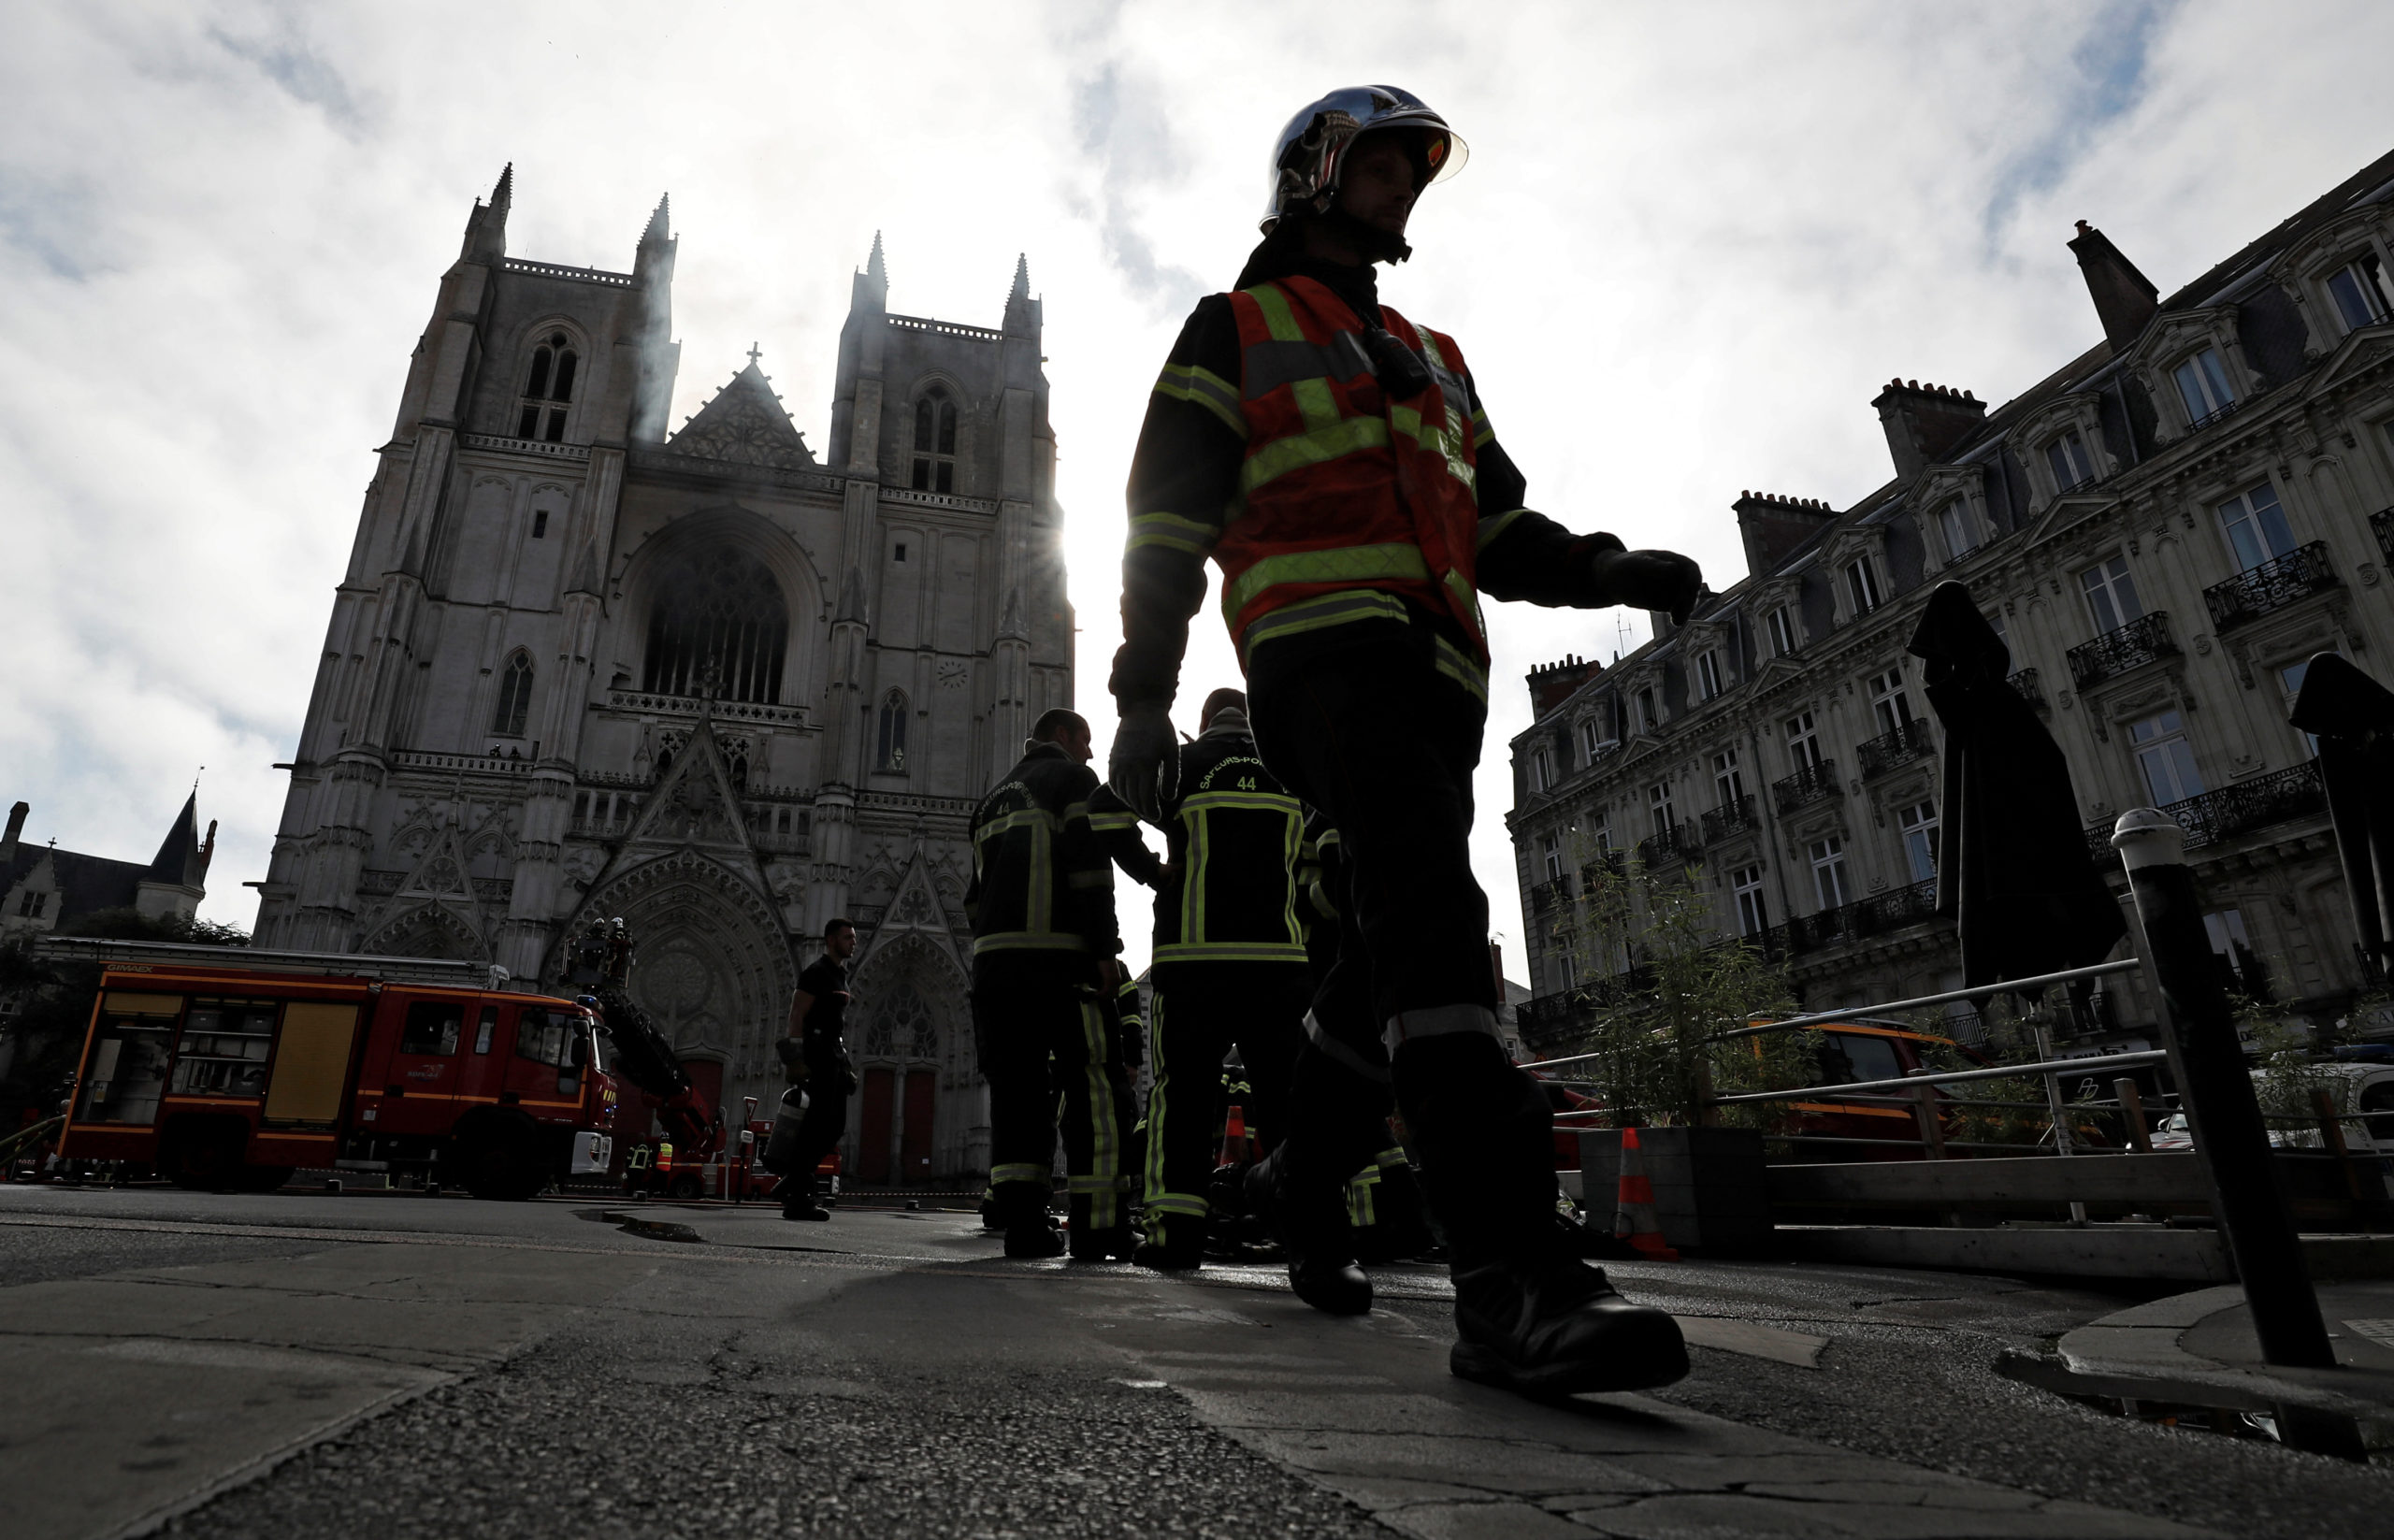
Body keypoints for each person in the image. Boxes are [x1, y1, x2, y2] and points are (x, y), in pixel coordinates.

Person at [1105, 86, 1700, 1396]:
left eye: (1415, 170)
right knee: (1439, 928)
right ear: (1311, 175)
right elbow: (1167, 519)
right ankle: (1509, 1278)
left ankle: (1298, 1180)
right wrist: (1144, 692)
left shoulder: (1436, 357)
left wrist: (1613, 568)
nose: (1403, 186)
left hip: (1441, 680)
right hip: (1322, 656)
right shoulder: (1235, 328)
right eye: (1380, 162)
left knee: (1383, 952)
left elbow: (1497, 535)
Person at [1106, 686, 1311, 1272]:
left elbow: (1104, 808)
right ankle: (1313, 1237)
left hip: (1194, 964)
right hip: (1279, 965)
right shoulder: (1291, 768)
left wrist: (1153, 872)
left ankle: (1176, 1235)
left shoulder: (1184, 766)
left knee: (1182, 1096)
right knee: (1287, 1102)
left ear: (1204, 721)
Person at [966, 708, 1138, 1259]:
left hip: (995, 972)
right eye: (1085, 742)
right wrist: (1105, 949)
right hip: (1060, 967)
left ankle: (1023, 1226)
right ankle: (1099, 1226)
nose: (1090, 754)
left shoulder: (991, 799)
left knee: (1018, 1097)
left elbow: (975, 899)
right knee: (1095, 1091)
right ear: (1062, 736)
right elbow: (1090, 870)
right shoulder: (1070, 779)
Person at [769, 917, 860, 1221]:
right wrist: (795, 1059)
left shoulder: (840, 976)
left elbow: (837, 1026)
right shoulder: (816, 973)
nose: (853, 942)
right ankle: (799, 1198)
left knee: (834, 1125)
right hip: (816, 1054)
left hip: (833, 1054)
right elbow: (797, 1014)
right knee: (814, 1125)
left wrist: (844, 1062)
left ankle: (794, 1179)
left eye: (854, 937)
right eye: (848, 937)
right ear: (831, 940)